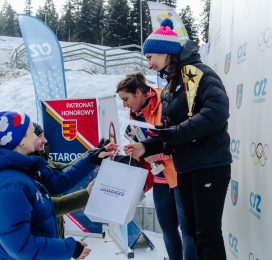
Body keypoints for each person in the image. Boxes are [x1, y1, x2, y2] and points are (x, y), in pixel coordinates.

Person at [124, 18, 232, 260]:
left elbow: (217, 112)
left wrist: (173, 134)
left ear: (165, 53)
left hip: (209, 166)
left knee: (207, 233)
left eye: (150, 57)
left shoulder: (197, 73)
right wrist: (145, 146)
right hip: (186, 167)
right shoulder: (171, 85)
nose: (149, 64)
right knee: (193, 232)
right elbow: (168, 130)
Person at [0, 111, 117, 259]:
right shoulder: (11, 184)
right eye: (33, 133)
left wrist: (92, 158)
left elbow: (57, 182)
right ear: (19, 139)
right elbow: (21, 247)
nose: (38, 137)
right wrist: (68, 248)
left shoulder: (24, 167)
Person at [117, 72, 198, 260]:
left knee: (187, 230)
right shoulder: (135, 113)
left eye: (126, 98)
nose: (124, 104)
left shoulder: (166, 102)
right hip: (160, 176)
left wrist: (153, 153)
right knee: (168, 229)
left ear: (138, 92)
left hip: (179, 173)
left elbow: (179, 140)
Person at [32, 122, 108, 239]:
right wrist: (86, 194)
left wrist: (92, 155)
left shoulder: (42, 159)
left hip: (54, 227)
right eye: (40, 136)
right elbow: (61, 182)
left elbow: (67, 168)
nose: (45, 140)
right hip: (45, 234)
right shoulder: (31, 167)